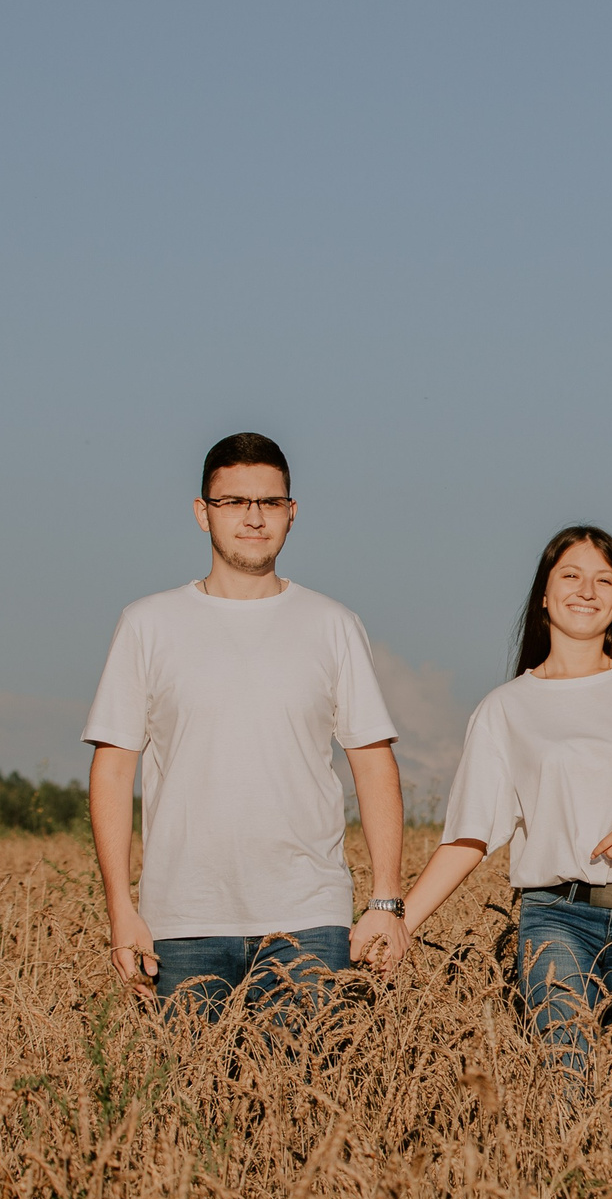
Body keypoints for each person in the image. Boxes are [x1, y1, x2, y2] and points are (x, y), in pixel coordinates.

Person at [82, 431, 408, 1027]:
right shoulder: (147, 624)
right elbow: (113, 768)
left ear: (292, 512)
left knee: (311, 1088)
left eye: (270, 502)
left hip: (309, 920)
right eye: (234, 501)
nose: (254, 517)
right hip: (182, 921)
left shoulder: (333, 624)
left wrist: (386, 901)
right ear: (202, 512)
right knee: (187, 1088)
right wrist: (120, 910)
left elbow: (373, 762)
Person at [392, 524, 612, 1088]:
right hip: (558, 918)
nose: (586, 590)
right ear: (544, 595)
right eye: (570, 576)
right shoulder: (505, 709)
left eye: (604, 580)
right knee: (567, 1080)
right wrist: (399, 924)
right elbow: (469, 835)